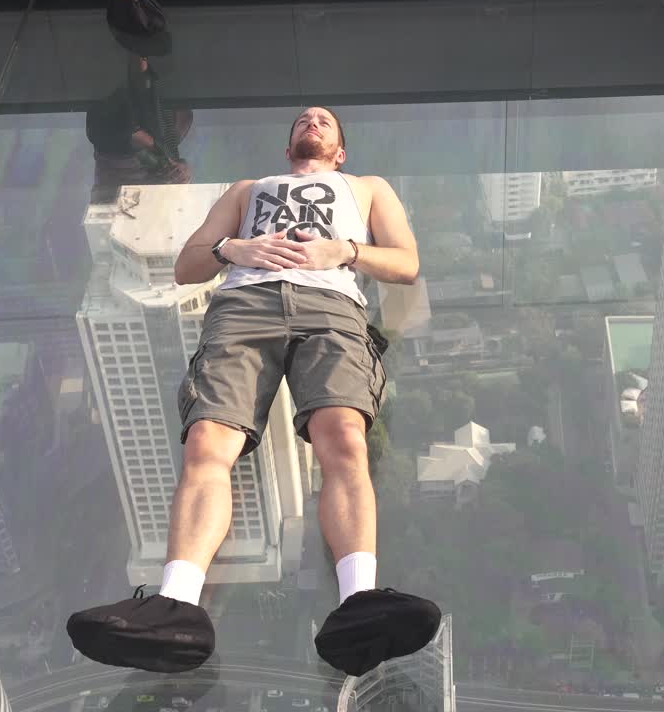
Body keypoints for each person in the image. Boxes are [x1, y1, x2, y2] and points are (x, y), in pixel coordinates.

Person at [67, 107, 441, 677]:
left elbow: (407, 263)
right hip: (244, 306)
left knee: (342, 438)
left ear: (340, 151)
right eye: (302, 119)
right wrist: (230, 251)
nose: (311, 121)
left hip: (332, 307)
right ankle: (176, 605)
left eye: (324, 120)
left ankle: (359, 600)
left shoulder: (366, 189)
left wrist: (343, 251)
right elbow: (187, 267)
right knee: (207, 444)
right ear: (289, 143)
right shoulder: (248, 192)